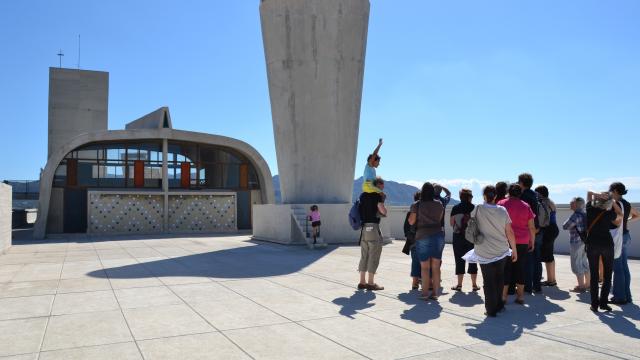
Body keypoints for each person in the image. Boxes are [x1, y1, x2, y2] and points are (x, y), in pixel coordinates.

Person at [463, 185, 518, 317]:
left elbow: (470, 221)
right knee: (499, 278)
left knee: (488, 281)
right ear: (496, 196)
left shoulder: (478, 208)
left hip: (483, 250)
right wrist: (514, 250)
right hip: (501, 250)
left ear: (484, 196)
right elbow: (509, 231)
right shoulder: (502, 210)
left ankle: (490, 309)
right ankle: (499, 305)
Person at [498, 183, 536, 304]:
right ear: (520, 193)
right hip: (522, 241)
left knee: (506, 268)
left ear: (508, 192)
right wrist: (532, 242)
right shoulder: (526, 206)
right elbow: (531, 227)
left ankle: (503, 297)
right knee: (520, 268)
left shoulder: (501, 204)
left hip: (505, 240)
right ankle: (520, 297)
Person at [585, 191, 623, 312]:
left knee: (594, 275)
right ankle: (603, 303)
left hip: (592, 244)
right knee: (607, 275)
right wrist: (612, 201)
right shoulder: (609, 214)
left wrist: (598, 195)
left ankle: (594, 304)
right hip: (607, 245)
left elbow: (589, 193)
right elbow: (620, 214)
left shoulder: (590, 209)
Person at [408, 182, 445, 301]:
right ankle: (435, 293)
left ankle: (424, 294)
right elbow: (439, 219)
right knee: (435, 266)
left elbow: (411, 221)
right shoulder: (439, 204)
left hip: (422, 235)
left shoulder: (416, 205)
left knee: (424, 267)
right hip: (438, 235)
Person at [610, 182, 639, 304]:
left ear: (616, 191)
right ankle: (627, 296)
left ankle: (619, 297)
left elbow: (615, 221)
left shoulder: (615, 204)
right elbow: (637, 215)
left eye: (611, 190)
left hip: (618, 237)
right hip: (626, 235)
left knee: (618, 268)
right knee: (624, 267)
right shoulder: (626, 203)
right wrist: (625, 222)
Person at [357, 178, 387, 291]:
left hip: (364, 228)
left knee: (364, 255)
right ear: (377, 185)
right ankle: (370, 283)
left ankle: (362, 281)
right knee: (373, 255)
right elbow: (383, 211)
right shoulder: (377, 196)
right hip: (373, 227)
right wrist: (383, 202)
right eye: (382, 185)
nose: (382, 187)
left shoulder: (363, 195)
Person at [450, 189, 479, 292]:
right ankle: (474, 285)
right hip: (471, 238)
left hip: (458, 236)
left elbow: (451, 223)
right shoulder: (474, 208)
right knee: (472, 260)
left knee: (459, 260)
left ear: (460, 197)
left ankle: (459, 285)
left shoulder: (455, 208)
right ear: (470, 197)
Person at [519, 173, 543, 294]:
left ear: (522, 183)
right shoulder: (535, 195)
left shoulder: (523, 196)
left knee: (527, 260)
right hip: (538, 228)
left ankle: (528, 286)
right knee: (537, 259)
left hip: (528, 229)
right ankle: (537, 285)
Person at [563, 197, 590, 292]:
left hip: (576, 242)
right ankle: (588, 284)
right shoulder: (585, 214)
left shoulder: (576, 215)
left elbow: (565, 226)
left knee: (576, 264)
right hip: (585, 241)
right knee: (584, 262)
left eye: (572, 202)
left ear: (577, 204)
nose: (570, 203)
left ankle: (581, 286)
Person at [536, 185, 559, 287]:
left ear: (540, 193)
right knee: (550, 256)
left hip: (548, 230)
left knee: (547, 256)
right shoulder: (551, 202)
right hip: (554, 229)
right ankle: (552, 279)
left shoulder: (543, 203)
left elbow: (542, 220)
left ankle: (551, 280)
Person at [403, 191, 421, 290]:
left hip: (413, 240)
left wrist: (409, 237)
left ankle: (415, 282)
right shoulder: (426, 212)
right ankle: (423, 279)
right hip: (424, 239)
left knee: (415, 260)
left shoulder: (410, 213)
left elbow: (406, 227)